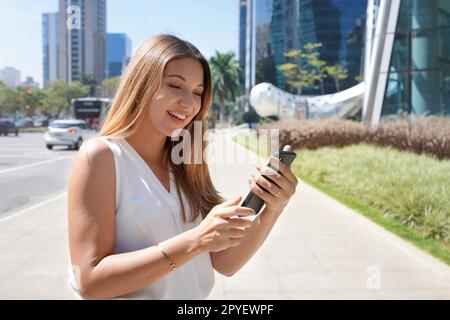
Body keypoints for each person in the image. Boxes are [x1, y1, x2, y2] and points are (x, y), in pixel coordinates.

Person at [67, 34, 298, 300]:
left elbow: (224, 263)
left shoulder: (186, 160)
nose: (189, 104)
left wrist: (273, 207)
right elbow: (90, 282)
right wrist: (195, 241)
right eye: (175, 86)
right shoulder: (102, 157)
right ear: (142, 85)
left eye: (198, 92)